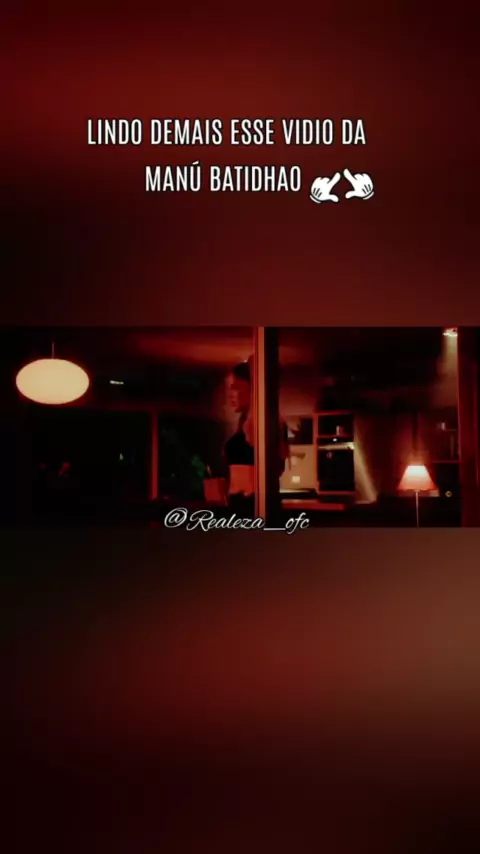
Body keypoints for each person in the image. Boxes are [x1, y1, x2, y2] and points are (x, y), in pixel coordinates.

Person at [223, 359, 289, 515]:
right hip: (238, 504)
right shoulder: (242, 424)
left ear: (253, 389)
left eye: (236, 387)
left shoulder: (264, 425)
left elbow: (276, 466)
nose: (230, 395)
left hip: (254, 505)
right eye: (229, 388)